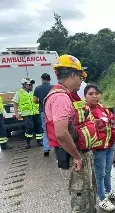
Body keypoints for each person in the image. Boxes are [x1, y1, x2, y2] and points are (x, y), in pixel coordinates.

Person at [44, 55, 98, 213]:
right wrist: (77, 156)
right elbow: (61, 133)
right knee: (80, 197)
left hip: (76, 151)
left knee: (87, 192)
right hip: (72, 155)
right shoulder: (61, 98)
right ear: (73, 75)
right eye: (80, 77)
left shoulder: (65, 94)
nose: (81, 81)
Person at [84, 83, 115, 211]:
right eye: (91, 94)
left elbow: (110, 124)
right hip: (98, 149)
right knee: (100, 174)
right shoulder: (85, 111)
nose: (94, 96)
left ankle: (108, 190)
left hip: (110, 145)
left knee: (107, 171)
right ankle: (101, 199)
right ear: (85, 96)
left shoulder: (102, 108)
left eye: (96, 93)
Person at [12, 78, 43, 149]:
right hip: (27, 114)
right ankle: (28, 142)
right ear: (24, 85)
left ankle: (39, 141)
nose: (31, 86)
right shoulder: (19, 93)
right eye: (29, 85)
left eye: (31, 85)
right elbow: (15, 103)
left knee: (38, 127)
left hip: (36, 112)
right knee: (29, 127)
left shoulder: (33, 92)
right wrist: (16, 113)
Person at [33, 73, 53, 156]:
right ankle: (57, 147)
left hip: (43, 111)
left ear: (42, 79)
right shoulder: (53, 87)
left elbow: (34, 101)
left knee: (45, 130)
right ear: (50, 79)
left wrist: (41, 102)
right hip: (53, 111)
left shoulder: (37, 88)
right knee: (55, 128)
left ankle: (46, 148)